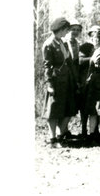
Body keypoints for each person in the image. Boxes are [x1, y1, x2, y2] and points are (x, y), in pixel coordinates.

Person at [42, 17, 77, 148]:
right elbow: (47, 66)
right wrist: (49, 84)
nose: (67, 33)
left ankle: (59, 135)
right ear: (60, 29)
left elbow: (68, 61)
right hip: (56, 80)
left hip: (66, 80)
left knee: (68, 109)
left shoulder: (62, 42)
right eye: (66, 30)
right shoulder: (49, 44)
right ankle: (52, 139)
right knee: (54, 110)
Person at [78, 25, 100, 137]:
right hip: (85, 80)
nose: (96, 35)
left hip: (97, 81)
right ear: (90, 34)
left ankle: (94, 131)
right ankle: (83, 130)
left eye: (98, 32)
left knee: (95, 107)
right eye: (94, 32)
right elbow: (80, 60)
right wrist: (92, 59)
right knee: (83, 106)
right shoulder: (85, 46)